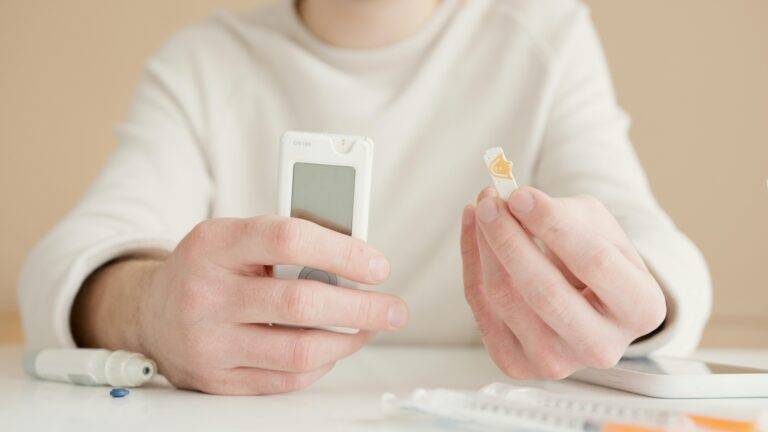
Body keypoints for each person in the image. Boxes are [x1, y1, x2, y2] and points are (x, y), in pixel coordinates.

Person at [19, 0, 711, 395]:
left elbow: (653, 244)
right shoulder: (203, 62)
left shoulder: (542, 37)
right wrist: (147, 310)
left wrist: (636, 307)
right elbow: (61, 266)